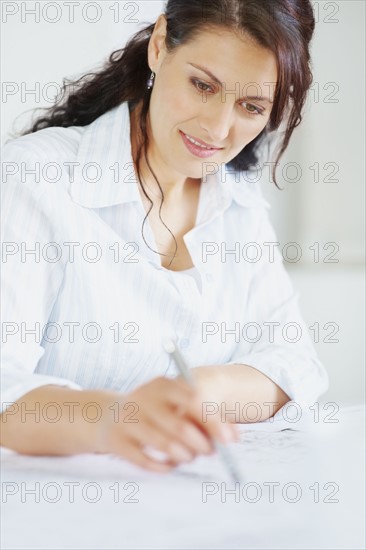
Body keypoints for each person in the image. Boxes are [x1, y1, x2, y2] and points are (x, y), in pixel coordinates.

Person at [0, 0, 328, 472]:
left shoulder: (239, 204)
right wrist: (114, 418)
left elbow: (297, 364)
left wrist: (201, 392)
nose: (216, 129)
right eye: (202, 85)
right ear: (159, 46)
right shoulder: (36, 178)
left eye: (251, 106)